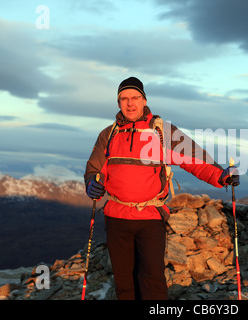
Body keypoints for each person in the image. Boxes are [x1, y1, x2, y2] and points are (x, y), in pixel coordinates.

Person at [84, 76, 239, 300]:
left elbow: (194, 160)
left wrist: (222, 176)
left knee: (152, 278)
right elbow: (94, 168)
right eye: (124, 98)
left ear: (144, 100)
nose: (130, 103)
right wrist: (91, 183)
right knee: (124, 281)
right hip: (116, 216)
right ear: (118, 103)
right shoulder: (109, 135)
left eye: (135, 97)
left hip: (150, 217)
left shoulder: (162, 133)